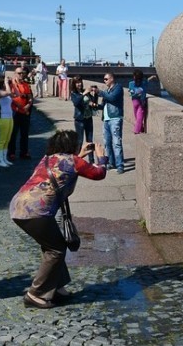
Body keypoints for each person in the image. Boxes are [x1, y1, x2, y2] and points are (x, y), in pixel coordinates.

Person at [9, 130, 107, 309]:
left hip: (18, 207)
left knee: (52, 245)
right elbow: (99, 174)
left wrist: (80, 155)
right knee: (56, 249)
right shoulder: (73, 161)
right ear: (72, 146)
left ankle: (56, 287)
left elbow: (63, 167)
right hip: (36, 212)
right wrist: (102, 158)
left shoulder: (48, 158)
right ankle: (35, 294)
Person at [97, 72, 124, 174]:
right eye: (104, 79)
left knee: (117, 143)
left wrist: (101, 92)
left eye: (106, 79)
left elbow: (112, 98)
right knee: (107, 143)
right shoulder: (107, 91)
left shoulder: (118, 88)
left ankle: (120, 165)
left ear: (112, 79)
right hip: (106, 119)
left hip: (115, 118)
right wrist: (94, 105)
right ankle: (111, 163)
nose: (104, 81)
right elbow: (103, 104)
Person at [8, 67, 34, 161]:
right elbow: (10, 97)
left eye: (22, 73)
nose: (21, 75)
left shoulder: (25, 85)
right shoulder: (11, 85)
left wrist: (29, 104)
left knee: (24, 133)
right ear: (15, 74)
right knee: (13, 133)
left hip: (24, 112)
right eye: (19, 73)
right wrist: (20, 106)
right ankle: (11, 153)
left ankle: (24, 152)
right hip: (15, 111)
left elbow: (30, 97)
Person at [69, 76, 94, 161]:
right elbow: (76, 103)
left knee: (90, 141)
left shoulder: (85, 91)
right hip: (79, 120)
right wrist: (83, 94)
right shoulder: (73, 93)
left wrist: (94, 93)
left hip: (88, 118)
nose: (79, 84)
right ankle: (77, 160)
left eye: (80, 82)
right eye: (77, 82)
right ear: (74, 84)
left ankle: (91, 161)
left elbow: (92, 101)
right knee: (79, 141)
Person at [128, 69, 156, 134]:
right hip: (135, 102)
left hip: (141, 103)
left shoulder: (142, 83)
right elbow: (131, 92)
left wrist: (152, 77)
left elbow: (148, 80)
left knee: (139, 117)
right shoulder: (132, 83)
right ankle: (141, 128)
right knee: (137, 117)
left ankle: (136, 130)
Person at [0, 77, 14, 167]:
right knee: (2, 139)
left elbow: (16, 94)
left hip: (9, 117)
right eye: (7, 83)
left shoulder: (6, 92)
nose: (8, 84)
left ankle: (4, 158)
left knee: (7, 139)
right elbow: (9, 93)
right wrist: (6, 82)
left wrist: (13, 83)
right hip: (2, 118)